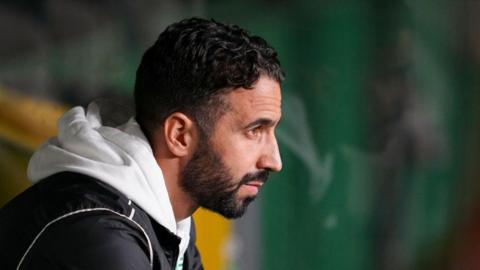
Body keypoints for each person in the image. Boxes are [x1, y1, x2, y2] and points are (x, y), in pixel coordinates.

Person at [0, 17, 284, 269]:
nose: (274, 161)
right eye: (255, 130)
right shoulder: (98, 237)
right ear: (179, 135)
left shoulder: (169, 222)